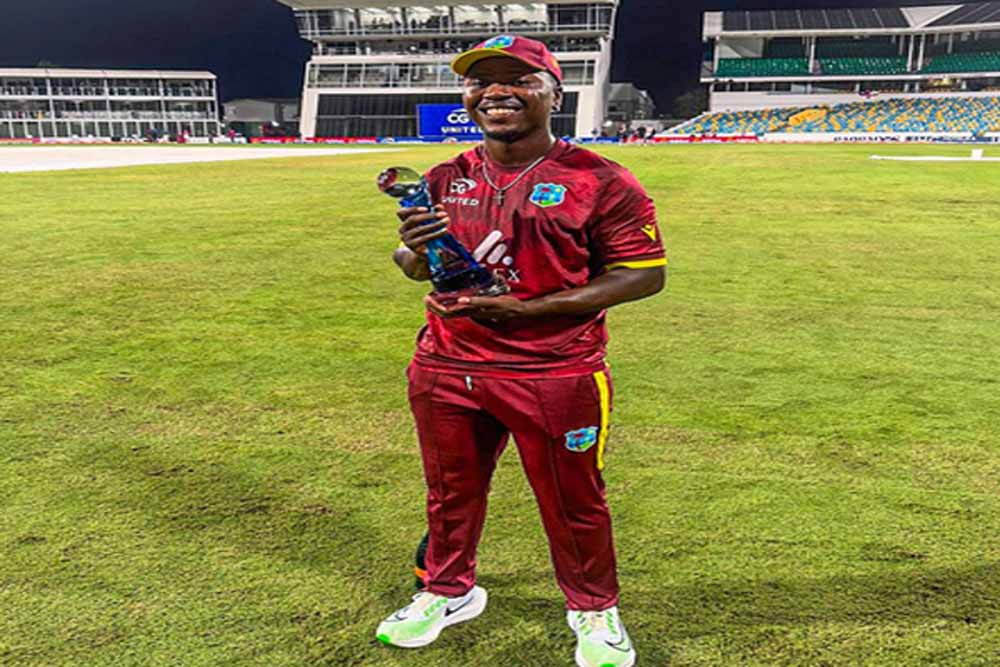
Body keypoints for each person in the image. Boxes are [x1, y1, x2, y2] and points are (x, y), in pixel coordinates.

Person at [375, 34, 666, 667]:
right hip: (447, 363)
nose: (497, 92)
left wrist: (533, 310)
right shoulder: (445, 176)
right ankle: (447, 590)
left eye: (520, 79)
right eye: (481, 81)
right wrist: (415, 249)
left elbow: (644, 274)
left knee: (573, 499)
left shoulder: (600, 179)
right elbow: (413, 266)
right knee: (450, 492)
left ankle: (593, 609)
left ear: (555, 95)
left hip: (554, 370)